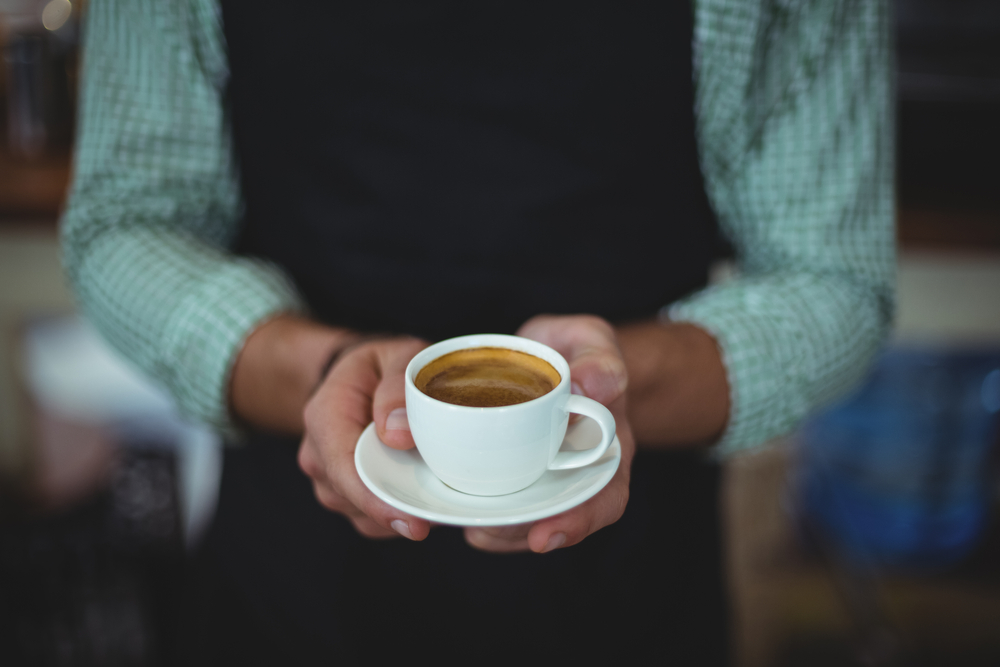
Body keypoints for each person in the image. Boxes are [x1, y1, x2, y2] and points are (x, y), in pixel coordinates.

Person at [61, 0, 894, 664]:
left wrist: (618, 383)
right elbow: (125, 222)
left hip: (631, 588)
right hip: (290, 579)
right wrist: (322, 372)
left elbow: (837, 280)